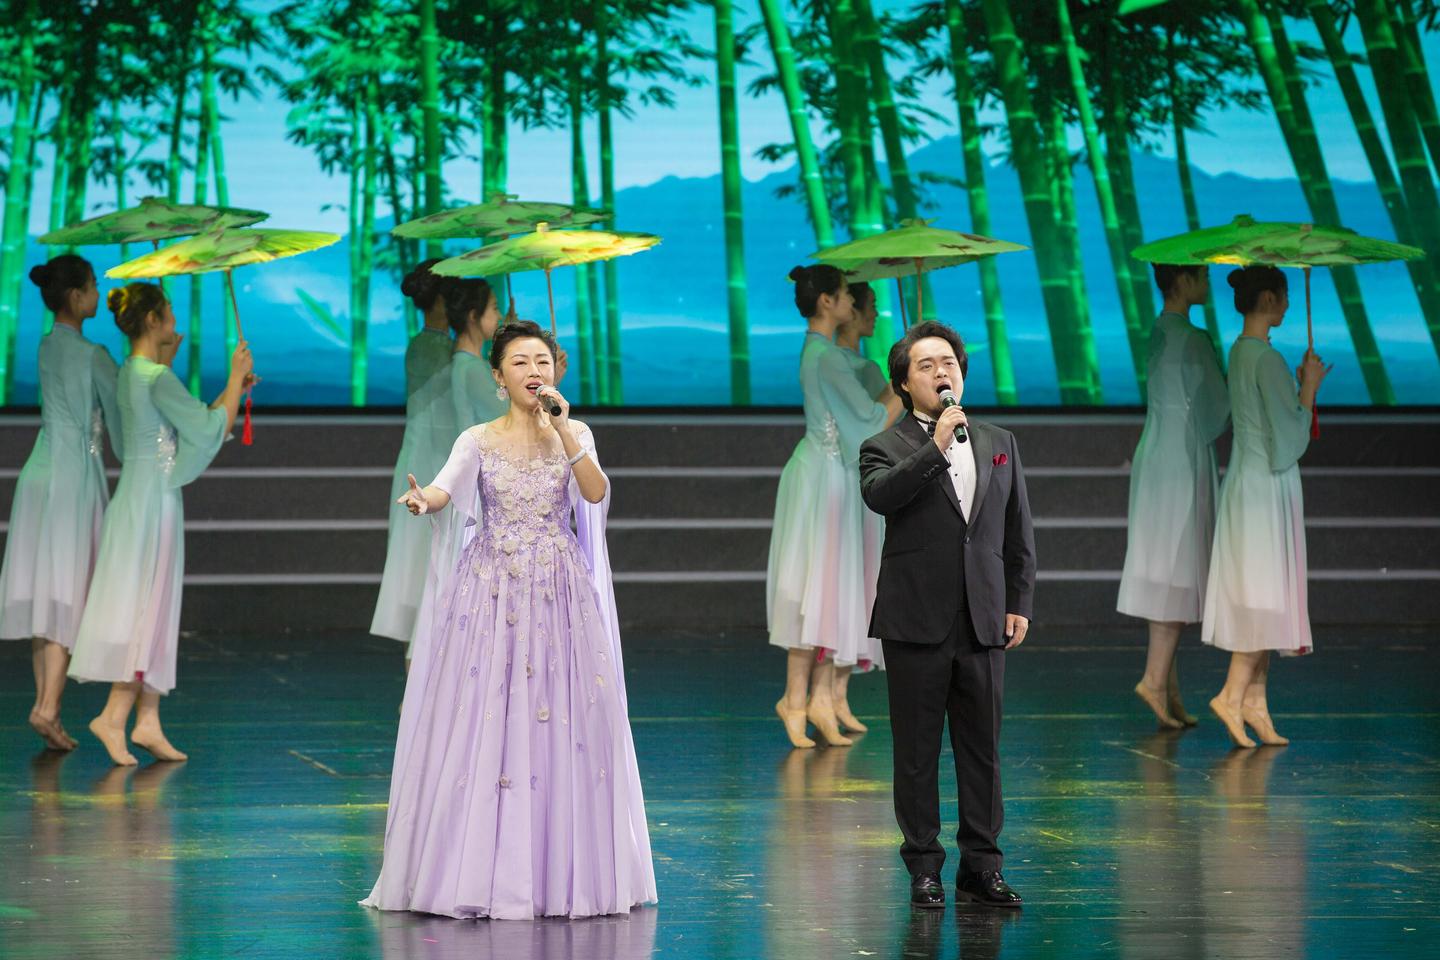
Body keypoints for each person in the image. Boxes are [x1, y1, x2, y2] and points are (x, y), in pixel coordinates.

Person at [363, 320, 655, 920]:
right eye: (520, 363)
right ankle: (481, 871)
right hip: (492, 595)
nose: (533, 372)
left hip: (558, 593)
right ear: (499, 378)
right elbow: (444, 489)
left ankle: (558, 872)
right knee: (488, 717)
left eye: (542, 361)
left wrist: (565, 430)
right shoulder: (478, 438)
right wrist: (423, 500)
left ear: (557, 371)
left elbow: (594, 494)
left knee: (561, 717)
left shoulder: (576, 432)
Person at [859, 321, 1035, 909]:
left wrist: (1018, 601)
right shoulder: (883, 446)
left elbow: (1016, 529)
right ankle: (924, 867)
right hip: (916, 620)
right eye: (927, 365)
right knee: (916, 752)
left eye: (949, 363)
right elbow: (881, 496)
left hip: (982, 617)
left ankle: (982, 866)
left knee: (982, 749)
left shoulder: (998, 440)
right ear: (904, 384)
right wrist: (934, 449)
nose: (942, 373)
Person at [68, 283, 252, 766]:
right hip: (152, 504)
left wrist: (232, 391)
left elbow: (193, 420)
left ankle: (147, 719)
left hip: (140, 497)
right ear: (153, 320)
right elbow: (207, 428)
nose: (174, 319)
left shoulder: (134, 372)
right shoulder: (154, 376)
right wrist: (235, 378)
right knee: (146, 606)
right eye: (168, 311)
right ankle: (114, 715)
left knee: (153, 604)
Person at [768, 265, 902, 749]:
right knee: (818, 587)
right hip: (824, 479)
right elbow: (868, 422)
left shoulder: (823, 353)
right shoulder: (825, 357)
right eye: (844, 294)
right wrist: (903, 384)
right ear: (826, 301)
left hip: (832, 474)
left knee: (829, 589)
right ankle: (797, 699)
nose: (850, 302)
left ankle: (818, 699)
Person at [1202, 266, 1329, 748]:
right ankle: (1231, 695)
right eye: (1285, 296)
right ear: (1271, 299)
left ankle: (1256, 702)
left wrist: (1298, 387)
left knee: (1262, 591)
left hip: (1246, 480)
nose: (1288, 304)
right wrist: (1309, 386)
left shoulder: (1241, 350)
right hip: (1265, 485)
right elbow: (1288, 436)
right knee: (1264, 594)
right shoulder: (1266, 358)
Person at [0, 256, 119, 751]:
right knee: (67, 594)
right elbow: (124, 417)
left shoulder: (46, 345)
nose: (97, 294)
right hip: (73, 480)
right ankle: (47, 707)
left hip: (40, 473)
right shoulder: (93, 355)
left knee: (47, 595)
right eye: (92, 286)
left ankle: (46, 707)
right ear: (75, 296)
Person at [1117, 265, 1230, 728]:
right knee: (1177, 566)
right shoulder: (1194, 338)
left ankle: (1167, 685)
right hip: (1182, 454)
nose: (1206, 282)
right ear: (1181, 282)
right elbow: (1216, 407)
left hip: (1156, 450)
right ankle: (1153, 678)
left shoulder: (1159, 331)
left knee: (1167, 563)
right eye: (1200, 275)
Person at [371, 260, 457, 667]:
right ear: (442, 300)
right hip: (431, 464)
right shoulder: (440, 351)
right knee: (431, 566)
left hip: (429, 457)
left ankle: (425, 676)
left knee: (431, 565)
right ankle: (422, 675)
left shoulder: (431, 346)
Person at [829, 280, 896, 729]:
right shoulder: (836, 363)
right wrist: (902, 385)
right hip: (843, 474)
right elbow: (870, 423)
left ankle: (838, 694)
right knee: (845, 582)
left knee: (863, 582)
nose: (871, 313)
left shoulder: (865, 366)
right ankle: (829, 694)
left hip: (865, 474)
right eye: (867, 305)